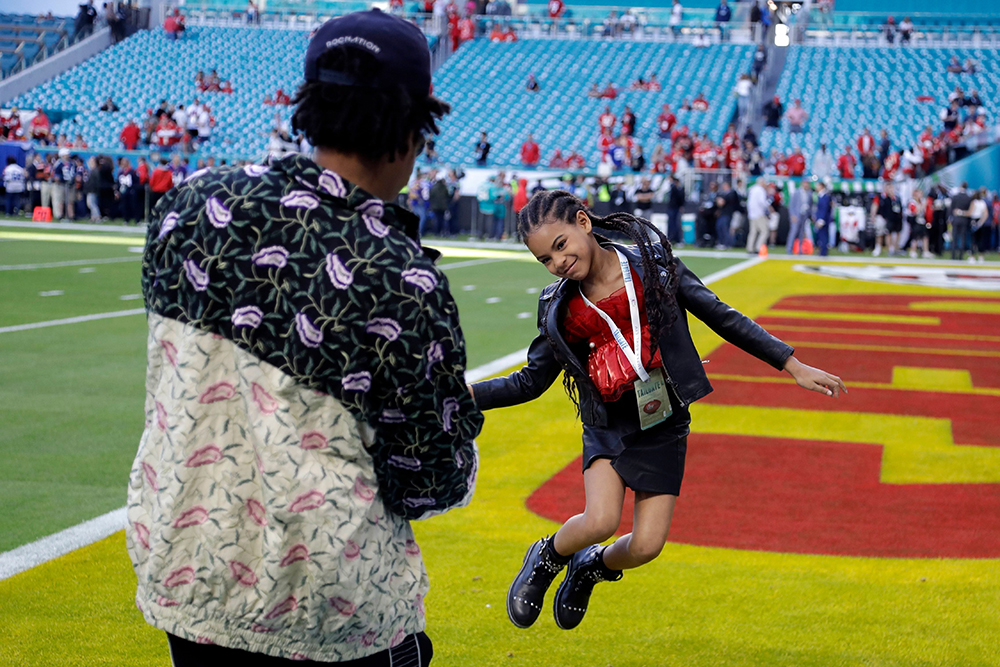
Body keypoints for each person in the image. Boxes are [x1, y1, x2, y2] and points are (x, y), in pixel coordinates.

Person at [128, 10, 481, 665]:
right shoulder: (398, 276)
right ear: (413, 129)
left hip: (189, 577)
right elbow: (435, 478)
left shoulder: (187, 208)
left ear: (309, 105)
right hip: (331, 606)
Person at [469, 190, 845, 631]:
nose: (558, 262)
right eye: (545, 260)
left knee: (647, 545)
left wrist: (791, 364)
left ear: (584, 223)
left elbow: (721, 315)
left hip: (662, 418)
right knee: (601, 519)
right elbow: (529, 381)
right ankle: (548, 555)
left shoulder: (654, 267)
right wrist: (464, 394)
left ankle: (591, 567)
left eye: (560, 245)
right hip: (609, 421)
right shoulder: (559, 306)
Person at [786, 181, 812, 255]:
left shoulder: (809, 193)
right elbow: (791, 205)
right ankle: (789, 249)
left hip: (804, 215)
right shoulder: (796, 192)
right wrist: (792, 215)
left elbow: (810, 205)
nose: (806, 185)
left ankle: (800, 250)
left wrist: (809, 215)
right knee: (793, 232)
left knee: (801, 233)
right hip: (796, 215)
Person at [746, 177, 769, 254]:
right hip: (759, 213)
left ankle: (750, 248)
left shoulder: (752, 189)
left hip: (752, 214)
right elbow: (762, 202)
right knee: (764, 231)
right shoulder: (761, 190)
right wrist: (767, 209)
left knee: (753, 232)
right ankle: (758, 247)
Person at [813, 181, 832, 256]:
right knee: (820, 235)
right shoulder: (821, 195)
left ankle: (823, 252)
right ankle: (821, 250)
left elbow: (824, 209)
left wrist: (821, 219)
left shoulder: (825, 196)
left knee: (823, 235)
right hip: (821, 218)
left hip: (823, 219)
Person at [665, 175, 685, 245]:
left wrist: (681, 206)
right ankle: (671, 238)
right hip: (672, 208)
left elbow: (681, 198)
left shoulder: (679, 188)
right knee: (671, 224)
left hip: (676, 208)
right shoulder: (673, 188)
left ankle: (677, 239)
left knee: (677, 224)